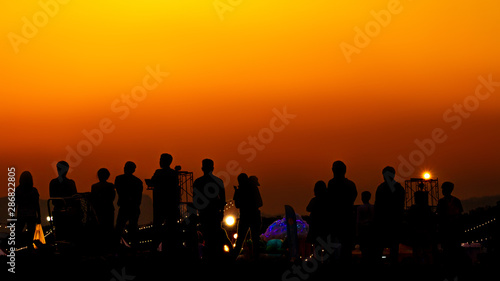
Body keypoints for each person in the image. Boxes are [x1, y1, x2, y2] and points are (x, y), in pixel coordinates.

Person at [193, 159, 226, 260]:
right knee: (215, 236)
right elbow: (222, 200)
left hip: (204, 213)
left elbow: (195, 200)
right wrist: (222, 211)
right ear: (212, 168)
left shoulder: (198, 182)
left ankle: (208, 257)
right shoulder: (218, 181)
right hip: (215, 213)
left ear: (202, 168)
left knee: (206, 236)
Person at [327, 160, 358, 263]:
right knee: (346, 248)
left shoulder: (331, 184)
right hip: (347, 219)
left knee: (333, 248)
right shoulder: (350, 185)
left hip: (336, 220)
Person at [149, 153, 180, 252]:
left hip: (160, 204)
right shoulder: (173, 173)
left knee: (157, 227)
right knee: (171, 228)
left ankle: (156, 248)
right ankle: (171, 248)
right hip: (171, 204)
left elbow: (153, 182)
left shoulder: (158, 172)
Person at [374, 166, 405, 265]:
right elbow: (400, 206)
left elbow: (377, 207)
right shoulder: (399, 188)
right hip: (394, 223)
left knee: (379, 248)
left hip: (383, 223)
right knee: (394, 248)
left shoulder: (381, 188)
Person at [233, 173, 263, 259]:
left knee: (240, 239)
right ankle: (255, 258)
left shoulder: (240, 190)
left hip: (245, 217)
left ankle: (234, 257)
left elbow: (237, 205)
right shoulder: (253, 188)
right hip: (253, 216)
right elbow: (260, 203)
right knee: (255, 239)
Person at [115, 161, 143, 247]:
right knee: (133, 228)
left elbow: (119, 190)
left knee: (119, 227)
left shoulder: (119, 179)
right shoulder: (138, 181)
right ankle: (134, 246)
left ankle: (117, 245)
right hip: (134, 207)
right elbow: (138, 197)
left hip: (124, 207)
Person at [49, 161, 78, 241]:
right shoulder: (70, 183)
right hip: (69, 212)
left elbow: (53, 198)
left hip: (58, 211)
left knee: (59, 233)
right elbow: (74, 197)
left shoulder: (53, 183)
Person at [436, 182, 463, 266]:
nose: (443, 191)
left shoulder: (443, 202)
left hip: (450, 231)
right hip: (449, 231)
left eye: (444, 189)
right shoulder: (454, 201)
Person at [407, 190, 436, 265]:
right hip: (425, 233)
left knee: (417, 252)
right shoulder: (427, 209)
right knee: (426, 252)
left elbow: (409, 220)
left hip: (417, 233)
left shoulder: (413, 209)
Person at [91, 168, 115, 251]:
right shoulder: (111, 186)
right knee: (109, 228)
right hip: (108, 209)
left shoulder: (94, 187)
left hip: (98, 210)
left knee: (99, 229)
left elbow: (93, 199)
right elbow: (112, 197)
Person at [15, 171, 41, 249]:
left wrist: (12, 215)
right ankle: (29, 248)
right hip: (31, 215)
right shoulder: (34, 191)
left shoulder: (18, 190)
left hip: (21, 215)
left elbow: (14, 204)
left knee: (17, 233)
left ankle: (17, 248)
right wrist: (39, 216)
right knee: (30, 235)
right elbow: (37, 205)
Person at [306, 181, 329, 248]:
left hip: (315, 225)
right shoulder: (327, 200)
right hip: (325, 225)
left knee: (317, 244)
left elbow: (308, 208)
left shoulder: (314, 200)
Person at [356, 191, 376, 264]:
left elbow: (358, 221)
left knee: (364, 250)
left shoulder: (360, 208)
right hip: (371, 231)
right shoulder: (373, 207)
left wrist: (357, 233)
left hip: (363, 231)